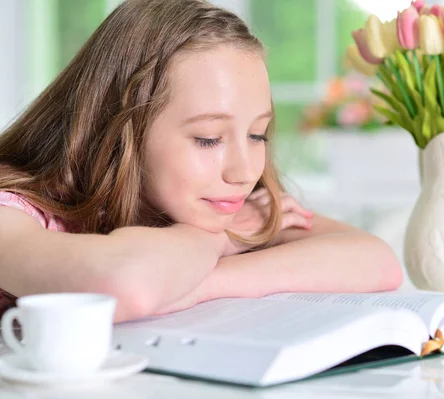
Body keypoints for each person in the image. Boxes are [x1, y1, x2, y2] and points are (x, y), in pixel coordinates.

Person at [0, 0, 403, 322]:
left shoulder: (213, 200)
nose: (244, 172)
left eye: (257, 134)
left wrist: (197, 281)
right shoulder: (12, 212)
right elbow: (126, 283)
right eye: (208, 140)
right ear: (119, 128)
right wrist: (219, 240)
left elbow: (377, 261)